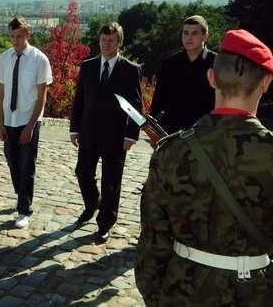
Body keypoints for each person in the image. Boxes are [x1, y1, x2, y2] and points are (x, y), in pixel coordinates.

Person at [135, 30, 273, 306]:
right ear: (266, 82)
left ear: (211, 78)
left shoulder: (171, 152)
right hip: (257, 292)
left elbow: (153, 242)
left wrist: (155, 296)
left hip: (183, 290)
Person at [69, 22, 142, 243]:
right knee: (82, 172)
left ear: (119, 42)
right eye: (103, 40)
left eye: (111, 40)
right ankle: (92, 203)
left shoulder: (130, 69)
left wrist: (131, 135)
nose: (106, 44)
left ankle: (104, 224)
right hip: (89, 133)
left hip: (116, 137)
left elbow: (136, 105)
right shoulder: (88, 66)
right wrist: (74, 128)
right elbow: (79, 99)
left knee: (111, 182)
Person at [0, 17, 52, 229]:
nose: (15, 41)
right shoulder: (4, 58)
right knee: (12, 161)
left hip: (29, 120)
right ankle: (21, 196)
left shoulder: (39, 59)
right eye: (12, 36)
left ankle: (24, 209)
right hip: (9, 120)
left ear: (28, 34)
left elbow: (42, 97)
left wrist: (31, 126)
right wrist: (1, 122)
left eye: (19, 36)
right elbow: (0, 93)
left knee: (26, 165)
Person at [150, 15, 217, 134]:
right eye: (185, 33)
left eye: (194, 33)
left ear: (205, 36)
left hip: (205, 133)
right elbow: (158, 99)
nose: (189, 37)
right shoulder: (170, 63)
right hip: (172, 133)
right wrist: (153, 130)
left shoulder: (216, 63)